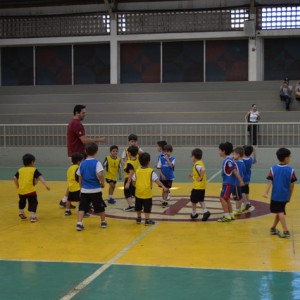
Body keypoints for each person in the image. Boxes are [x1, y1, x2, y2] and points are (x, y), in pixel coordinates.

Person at [59, 104, 106, 208]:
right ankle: (86, 201)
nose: (85, 115)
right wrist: (99, 140)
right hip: (77, 155)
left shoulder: (72, 122)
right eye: (83, 113)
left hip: (74, 154)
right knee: (83, 177)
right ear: (77, 113)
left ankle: (65, 199)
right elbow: (84, 140)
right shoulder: (76, 124)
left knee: (74, 178)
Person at [263, 147, 297, 238]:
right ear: (286, 158)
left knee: (280, 211)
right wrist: (289, 196)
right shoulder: (291, 170)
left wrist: (266, 192)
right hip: (285, 196)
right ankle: (273, 228)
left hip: (276, 196)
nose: (290, 159)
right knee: (280, 211)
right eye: (289, 157)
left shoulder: (273, 169)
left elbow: (269, 181)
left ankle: (285, 231)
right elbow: (292, 185)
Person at [75, 142, 107, 231]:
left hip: (85, 190)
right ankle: (103, 221)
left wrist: (81, 187)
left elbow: (80, 176)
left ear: (85, 151)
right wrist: (102, 183)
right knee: (100, 207)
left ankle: (79, 223)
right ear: (96, 152)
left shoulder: (82, 163)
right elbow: (100, 174)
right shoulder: (97, 163)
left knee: (82, 207)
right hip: (95, 190)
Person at [132, 152, 167, 226]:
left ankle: (138, 218)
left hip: (138, 192)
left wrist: (135, 186)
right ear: (149, 162)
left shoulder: (137, 171)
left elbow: (133, 181)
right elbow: (156, 180)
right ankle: (147, 220)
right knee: (147, 207)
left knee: (138, 206)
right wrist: (163, 186)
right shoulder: (151, 171)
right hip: (147, 193)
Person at [13, 153, 50, 222]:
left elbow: (14, 178)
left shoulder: (20, 170)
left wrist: (18, 186)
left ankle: (21, 211)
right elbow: (40, 177)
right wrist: (46, 185)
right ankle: (33, 217)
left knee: (22, 201)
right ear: (32, 162)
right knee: (33, 202)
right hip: (30, 190)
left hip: (21, 190)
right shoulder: (33, 170)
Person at [218, 142, 244, 222]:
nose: (219, 152)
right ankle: (231, 214)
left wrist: (240, 180)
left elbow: (234, 170)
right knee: (227, 199)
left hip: (228, 183)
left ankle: (226, 216)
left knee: (222, 198)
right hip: (230, 183)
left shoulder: (228, 161)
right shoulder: (230, 160)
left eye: (219, 150)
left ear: (223, 151)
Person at [188, 148, 211, 221]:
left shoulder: (197, 165)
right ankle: (205, 211)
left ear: (194, 157)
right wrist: (193, 176)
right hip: (202, 186)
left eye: (191, 156)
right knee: (201, 200)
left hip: (197, 186)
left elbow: (203, 169)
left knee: (193, 200)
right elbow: (199, 171)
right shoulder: (200, 162)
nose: (191, 158)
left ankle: (194, 213)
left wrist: (200, 177)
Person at [123, 145, 140, 212]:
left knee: (127, 192)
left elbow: (131, 172)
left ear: (129, 153)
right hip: (136, 179)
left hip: (129, 179)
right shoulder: (138, 160)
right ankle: (141, 203)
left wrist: (128, 182)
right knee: (134, 192)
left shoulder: (129, 162)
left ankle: (131, 205)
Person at [232, 147, 246, 216]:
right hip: (238, 182)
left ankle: (237, 209)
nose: (233, 156)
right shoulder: (242, 163)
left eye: (234, 154)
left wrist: (239, 181)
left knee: (237, 197)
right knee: (239, 196)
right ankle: (239, 209)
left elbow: (236, 172)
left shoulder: (237, 163)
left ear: (238, 155)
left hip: (236, 183)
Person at [242, 145, 257, 211]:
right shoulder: (251, 159)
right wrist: (254, 152)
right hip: (248, 177)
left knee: (241, 191)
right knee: (246, 189)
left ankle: (246, 202)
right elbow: (255, 161)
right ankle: (248, 201)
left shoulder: (241, 160)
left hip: (242, 177)